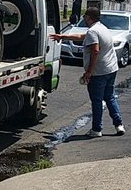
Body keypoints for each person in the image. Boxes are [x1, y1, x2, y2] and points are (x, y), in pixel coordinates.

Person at [50, 7, 124, 137]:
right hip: (111, 69)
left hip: (99, 71)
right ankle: (119, 125)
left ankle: (96, 129)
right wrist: (62, 36)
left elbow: (95, 50)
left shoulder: (93, 31)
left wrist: (89, 72)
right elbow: (81, 36)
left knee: (97, 100)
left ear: (89, 17)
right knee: (109, 97)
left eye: (85, 16)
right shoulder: (101, 28)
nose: (84, 18)